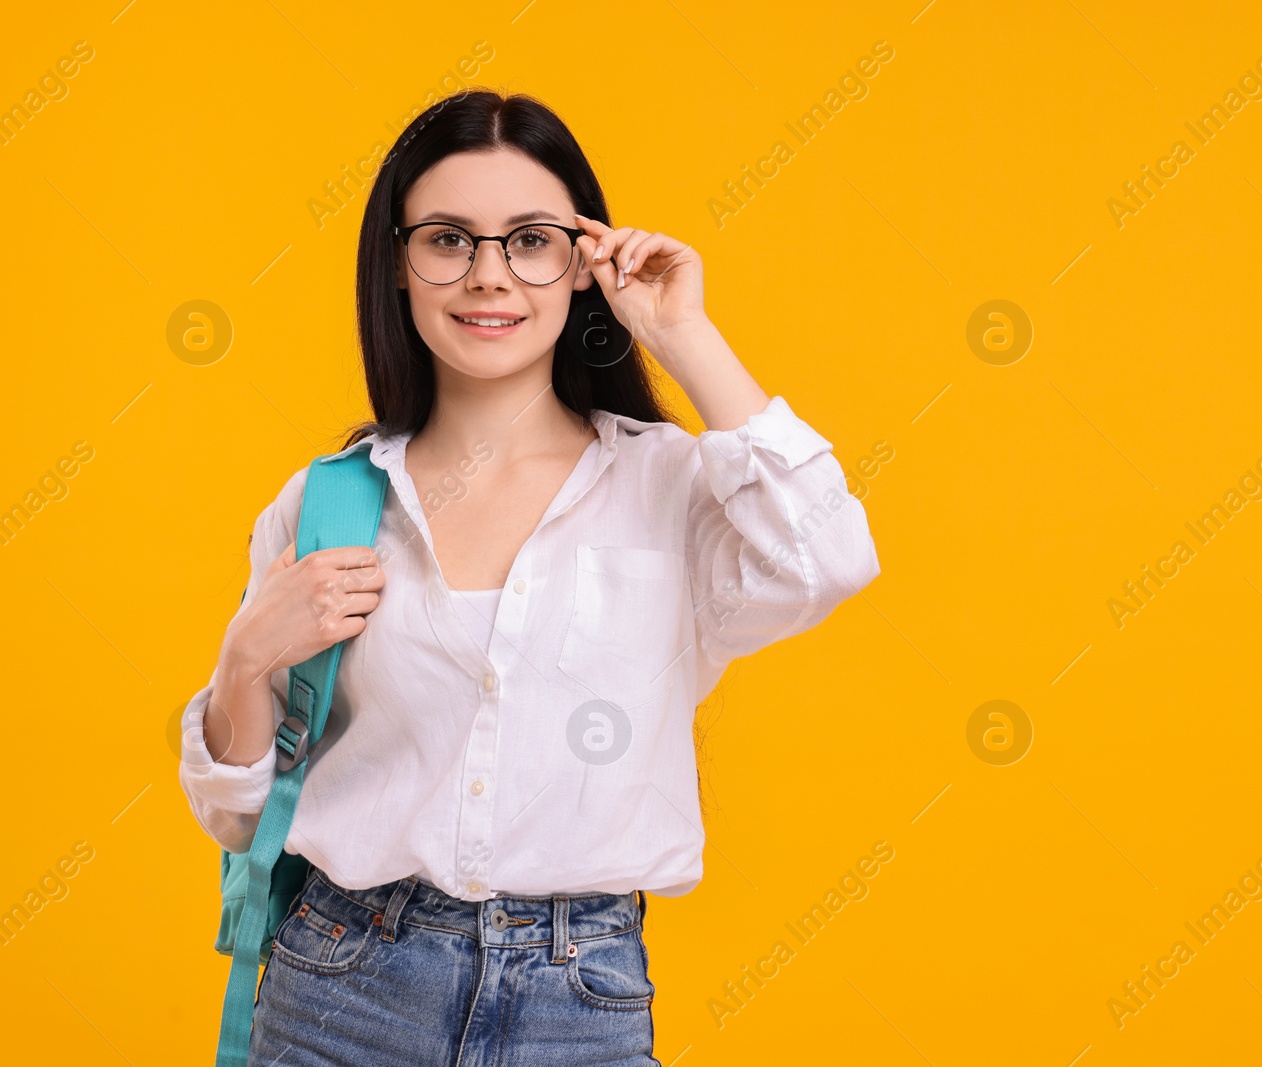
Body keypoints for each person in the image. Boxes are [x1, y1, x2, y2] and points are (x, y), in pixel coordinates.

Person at [177, 87, 881, 1066]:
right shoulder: (328, 503)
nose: (488, 275)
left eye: (531, 240)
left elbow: (830, 556)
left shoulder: (670, 486)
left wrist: (683, 333)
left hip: (577, 997)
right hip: (341, 987)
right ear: (397, 264)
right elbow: (244, 813)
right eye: (449, 239)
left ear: (582, 262)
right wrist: (245, 660)